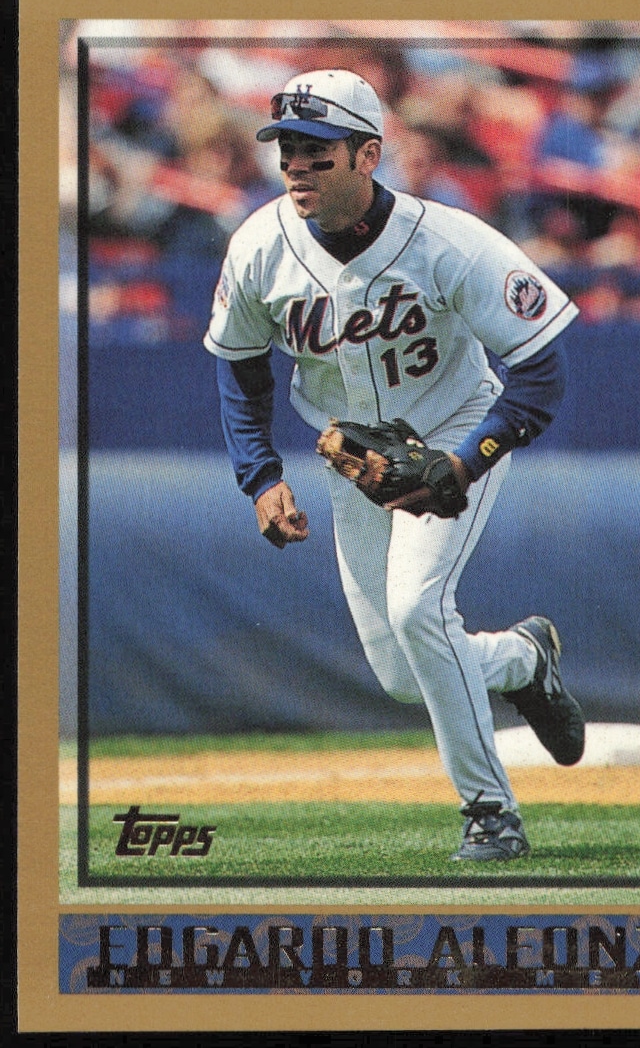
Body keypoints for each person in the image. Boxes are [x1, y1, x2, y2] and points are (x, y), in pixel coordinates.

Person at [204, 68, 586, 862]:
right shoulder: (259, 245)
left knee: (418, 610)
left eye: (317, 149)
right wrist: (260, 476)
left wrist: (466, 463)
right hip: (355, 459)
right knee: (402, 673)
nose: (296, 165)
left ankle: (490, 813)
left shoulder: (448, 242)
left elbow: (540, 371)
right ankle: (521, 659)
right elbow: (238, 366)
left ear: (368, 154)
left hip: (452, 429)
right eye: (286, 149)